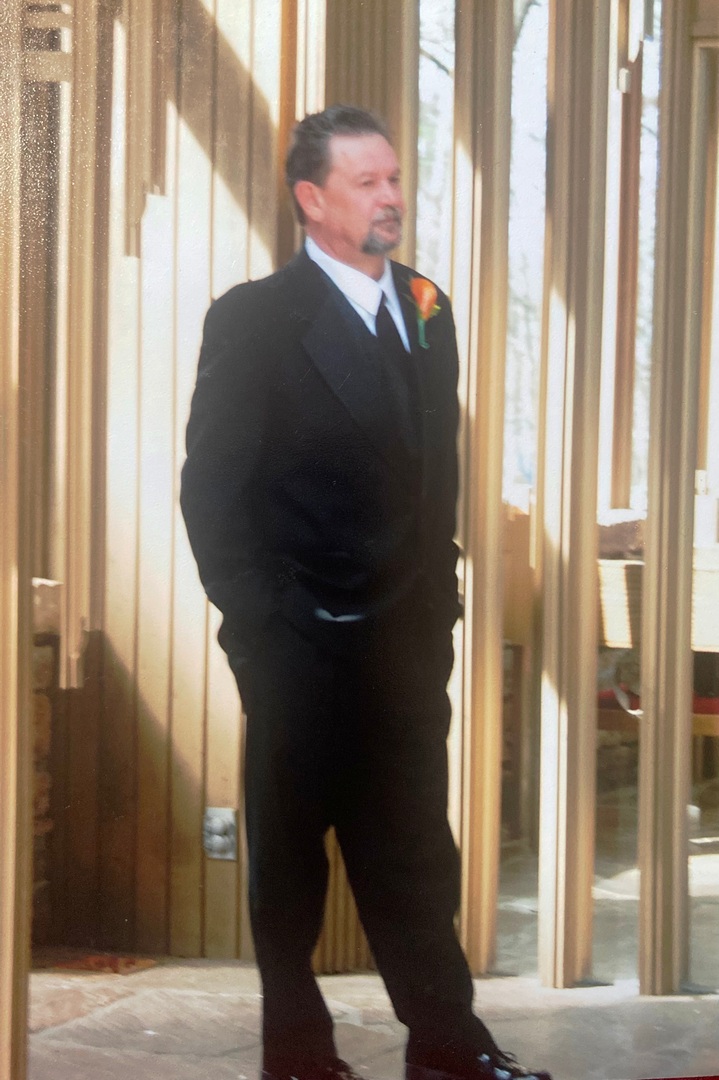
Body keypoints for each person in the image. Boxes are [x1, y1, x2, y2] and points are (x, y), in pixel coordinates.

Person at [181, 105, 550, 1080]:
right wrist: (262, 624)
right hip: (297, 643)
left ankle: (448, 1050)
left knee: (417, 856)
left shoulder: (426, 306)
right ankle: (298, 1056)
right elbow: (210, 490)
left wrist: (440, 607)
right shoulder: (254, 318)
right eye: (366, 182)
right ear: (311, 199)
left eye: (393, 178)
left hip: (404, 644)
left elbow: (438, 476)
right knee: (290, 864)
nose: (391, 197)